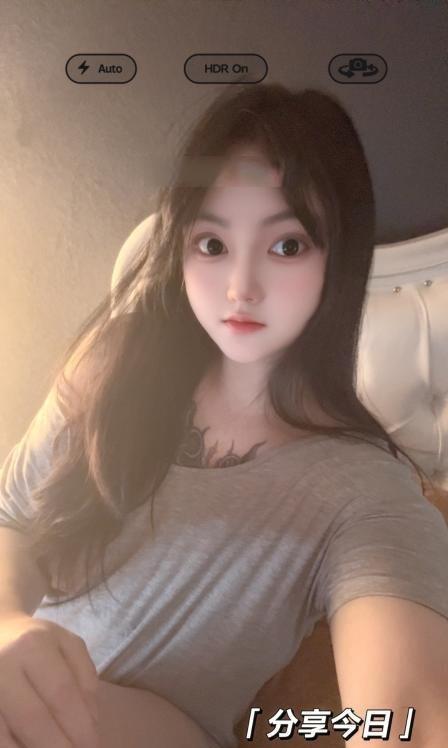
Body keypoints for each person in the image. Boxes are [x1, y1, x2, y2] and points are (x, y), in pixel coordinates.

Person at [0, 82, 447, 748]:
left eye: (287, 246)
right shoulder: (116, 364)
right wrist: (8, 624)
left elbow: (408, 722)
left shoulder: (366, 493)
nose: (241, 287)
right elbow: (13, 519)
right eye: (212, 244)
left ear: (340, 258)